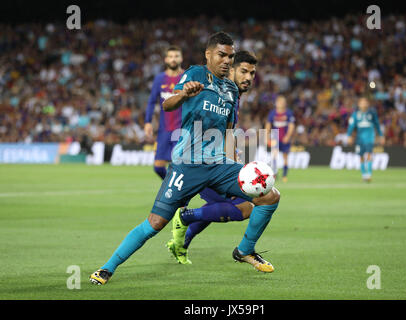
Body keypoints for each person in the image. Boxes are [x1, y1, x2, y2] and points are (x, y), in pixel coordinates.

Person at [89, 32, 280, 285]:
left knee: (269, 196)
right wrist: (184, 94)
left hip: (218, 164)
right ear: (208, 54)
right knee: (155, 223)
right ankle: (107, 268)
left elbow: (229, 130)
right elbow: (168, 105)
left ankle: (244, 251)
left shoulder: (231, 89)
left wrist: (237, 163)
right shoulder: (194, 74)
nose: (226, 61)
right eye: (222, 55)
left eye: (230, 56)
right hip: (187, 164)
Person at [165, 50, 259, 265]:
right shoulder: (216, 88)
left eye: (252, 73)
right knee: (244, 207)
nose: (249, 78)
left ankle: (182, 242)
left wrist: (234, 161)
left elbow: (227, 134)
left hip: (211, 160)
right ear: (230, 69)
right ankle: (185, 218)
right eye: (243, 71)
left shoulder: (231, 94)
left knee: (217, 207)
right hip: (196, 161)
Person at [144, 46, 184, 179]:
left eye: (176, 56)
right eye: (171, 56)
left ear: (181, 58)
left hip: (182, 130)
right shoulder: (159, 79)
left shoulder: (186, 77)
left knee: (180, 166)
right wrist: (148, 122)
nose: (173, 59)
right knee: (158, 167)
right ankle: (173, 189)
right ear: (166, 59)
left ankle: (176, 194)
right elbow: (151, 101)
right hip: (164, 130)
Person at [346, 96, 385, 182]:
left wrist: (381, 135)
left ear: (368, 103)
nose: (364, 104)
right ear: (359, 104)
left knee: (369, 154)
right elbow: (351, 126)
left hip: (369, 138)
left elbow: (377, 125)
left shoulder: (372, 113)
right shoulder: (356, 114)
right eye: (362, 102)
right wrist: (348, 135)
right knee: (361, 156)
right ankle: (364, 175)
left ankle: (369, 174)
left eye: (365, 102)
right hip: (359, 138)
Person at [265, 95, 295, 182]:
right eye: (279, 102)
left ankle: (284, 175)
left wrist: (288, 136)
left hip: (285, 137)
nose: (280, 104)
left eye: (282, 102)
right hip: (275, 136)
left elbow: (291, 126)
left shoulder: (288, 113)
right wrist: (267, 137)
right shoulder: (273, 113)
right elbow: (268, 125)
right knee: (274, 155)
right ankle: (274, 174)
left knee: (285, 156)